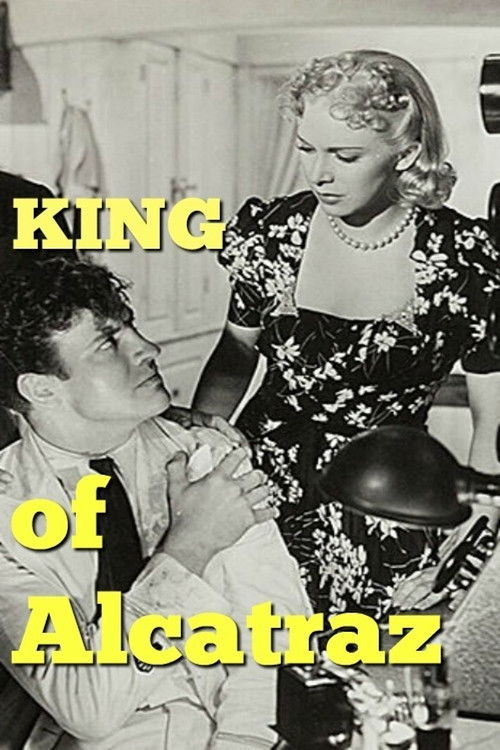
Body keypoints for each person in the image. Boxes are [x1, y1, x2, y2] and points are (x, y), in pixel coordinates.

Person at [193, 49, 500, 620]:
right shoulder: (272, 234)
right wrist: (196, 464)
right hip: (258, 489)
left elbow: (494, 419)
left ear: (406, 153)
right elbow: (233, 357)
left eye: (346, 155)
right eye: (306, 148)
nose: (319, 173)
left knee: (379, 660)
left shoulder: (464, 259)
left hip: (390, 497)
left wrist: (473, 537)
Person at [0, 258, 310, 750]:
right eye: (108, 343)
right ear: (41, 388)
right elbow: (90, 709)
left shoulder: (206, 455)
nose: (148, 348)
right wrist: (190, 547)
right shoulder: (9, 514)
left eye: (131, 326)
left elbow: (274, 635)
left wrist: (242, 743)